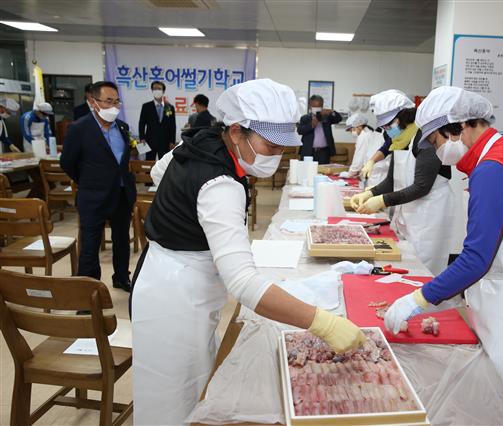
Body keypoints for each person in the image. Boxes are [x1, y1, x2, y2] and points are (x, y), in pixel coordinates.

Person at [130, 79, 365, 425]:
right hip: (174, 295)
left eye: (283, 148)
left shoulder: (204, 137)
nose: (277, 157)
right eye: (270, 146)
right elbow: (243, 283)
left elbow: (158, 169)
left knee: (193, 378)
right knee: (174, 397)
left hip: (163, 274)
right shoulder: (221, 184)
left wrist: (182, 214)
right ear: (238, 131)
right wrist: (322, 322)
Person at [383, 86, 503, 426]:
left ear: (459, 126)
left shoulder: (493, 169)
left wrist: (419, 298)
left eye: (436, 141)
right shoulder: (497, 155)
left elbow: (476, 258)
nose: (439, 150)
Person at [350, 90, 455, 275]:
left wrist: (383, 201)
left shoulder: (425, 140)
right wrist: (370, 193)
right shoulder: (399, 141)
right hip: (412, 210)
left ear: (403, 117)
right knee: (409, 263)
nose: (388, 130)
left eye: (389, 125)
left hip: (431, 213)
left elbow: (421, 186)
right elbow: (391, 181)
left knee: (425, 267)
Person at [60, 81, 136, 292]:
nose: (114, 106)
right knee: (90, 245)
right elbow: (67, 162)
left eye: (117, 101)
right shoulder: (79, 128)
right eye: (108, 101)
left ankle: (121, 277)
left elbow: (122, 161)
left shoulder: (122, 127)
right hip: (93, 196)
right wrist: (87, 181)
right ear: (93, 102)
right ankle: (88, 289)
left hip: (121, 194)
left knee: (121, 240)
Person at [360, 89, 417, 179]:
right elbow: (385, 148)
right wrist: (371, 161)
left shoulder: (419, 134)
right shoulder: (395, 134)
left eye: (388, 125)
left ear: (403, 116)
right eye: (383, 127)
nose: (386, 129)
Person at [345, 112, 388, 187]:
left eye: (352, 129)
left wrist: (350, 173)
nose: (352, 132)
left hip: (376, 174)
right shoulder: (370, 132)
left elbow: (358, 159)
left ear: (359, 126)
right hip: (375, 172)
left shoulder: (363, 135)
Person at [297, 95, 342, 164]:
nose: (317, 108)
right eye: (315, 106)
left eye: (319, 106)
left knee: (323, 172)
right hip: (308, 152)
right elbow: (300, 131)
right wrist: (311, 125)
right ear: (310, 106)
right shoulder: (304, 118)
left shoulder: (327, 117)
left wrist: (331, 111)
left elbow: (339, 119)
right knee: (307, 172)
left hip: (324, 152)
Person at [138, 81, 176, 160]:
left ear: (163, 91)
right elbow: (141, 123)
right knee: (149, 164)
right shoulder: (146, 106)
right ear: (152, 90)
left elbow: (172, 125)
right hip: (150, 141)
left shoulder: (169, 107)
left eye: (159, 89)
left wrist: (172, 141)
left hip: (165, 142)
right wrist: (142, 138)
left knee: (164, 165)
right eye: (154, 89)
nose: (157, 91)